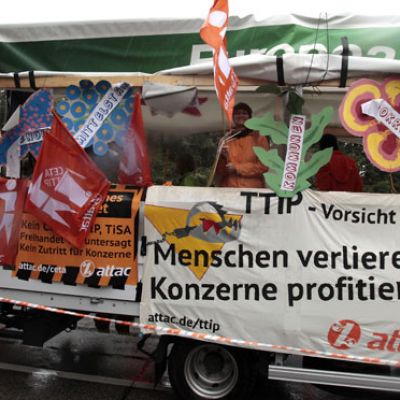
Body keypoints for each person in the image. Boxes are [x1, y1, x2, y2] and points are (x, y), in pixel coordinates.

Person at [214, 102, 269, 188]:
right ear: (233, 117)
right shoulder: (226, 139)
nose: (241, 115)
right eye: (237, 113)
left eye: (244, 113)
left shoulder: (259, 138)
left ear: (250, 117)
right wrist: (223, 157)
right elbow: (219, 171)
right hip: (229, 188)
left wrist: (237, 168)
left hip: (251, 189)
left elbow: (264, 166)